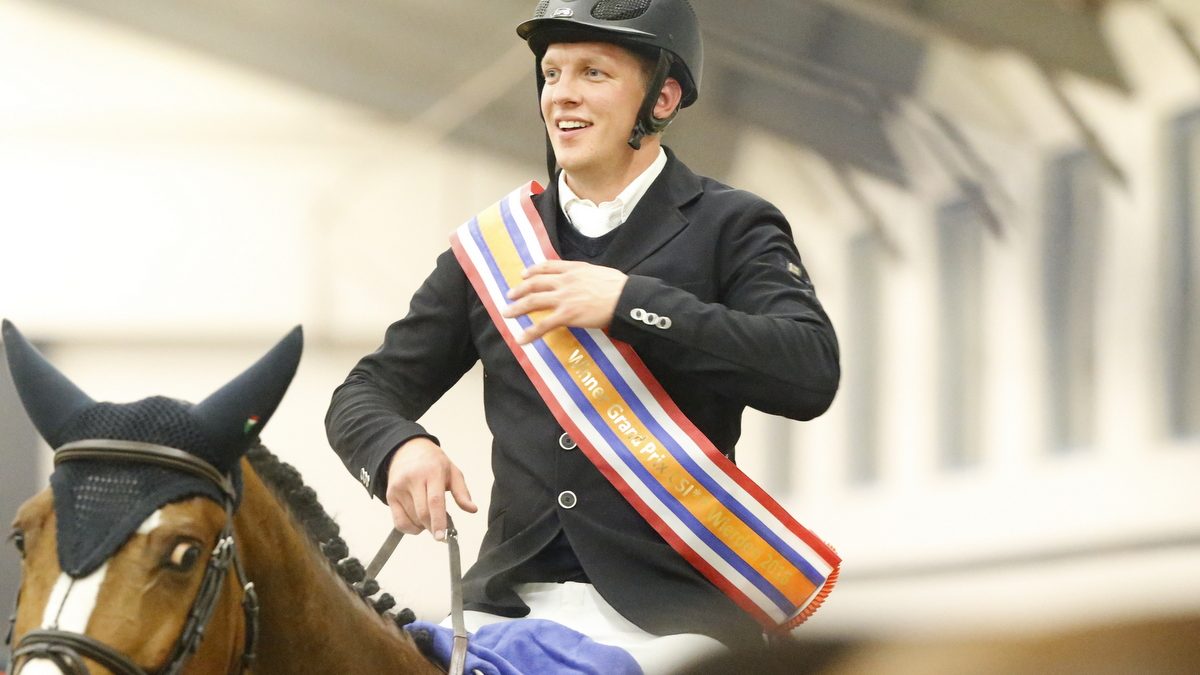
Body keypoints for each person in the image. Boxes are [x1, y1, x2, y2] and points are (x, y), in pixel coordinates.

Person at [326, 0, 840, 670]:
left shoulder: (732, 226)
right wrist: (399, 447)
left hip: (674, 622)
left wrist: (631, 303)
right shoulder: (492, 247)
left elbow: (808, 369)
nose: (562, 94)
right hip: (502, 606)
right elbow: (363, 391)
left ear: (664, 97)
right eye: (552, 72)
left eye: (593, 73)